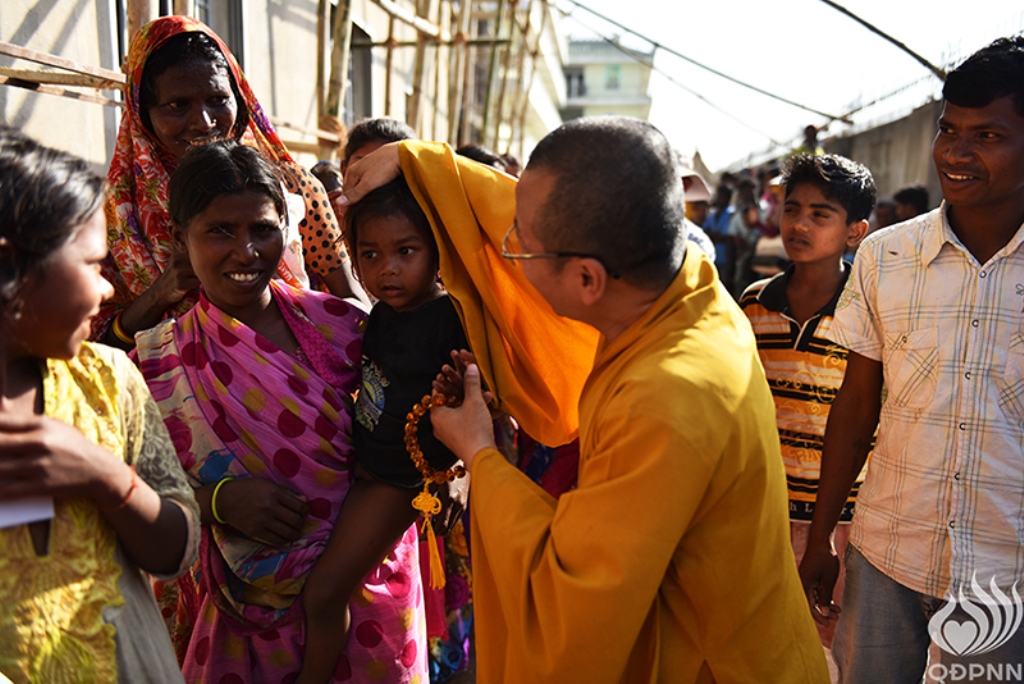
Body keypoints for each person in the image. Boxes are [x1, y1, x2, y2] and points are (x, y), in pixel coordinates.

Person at [342, 116, 829, 681]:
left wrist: (479, 452)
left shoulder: (667, 397)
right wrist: (420, 161)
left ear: (588, 280)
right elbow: (524, 204)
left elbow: (568, 600)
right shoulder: (684, 283)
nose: (507, 257)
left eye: (519, 251)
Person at [134, 140, 426, 683]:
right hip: (240, 616)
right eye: (220, 231)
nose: (245, 252)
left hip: (369, 593)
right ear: (180, 238)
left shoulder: (344, 328)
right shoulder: (155, 365)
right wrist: (217, 500)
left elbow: (406, 432)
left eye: (262, 229)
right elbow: (124, 494)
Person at [799, 37, 1024, 682]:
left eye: (988, 135)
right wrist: (822, 538)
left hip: (1004, 575)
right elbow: (856, 402)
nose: (956, 152)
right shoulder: (885, 256)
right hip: (886, 552)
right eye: (948, 129)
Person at [0, 126, 199, 682]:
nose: (109, 288)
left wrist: (104, 477)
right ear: (9, 267)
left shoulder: (108, 381)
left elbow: (179, 549)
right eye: (92, 266)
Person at [297, 175, 470, 683]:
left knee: (324, 593)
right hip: (366, 467)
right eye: (368, 255)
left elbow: (476, 399)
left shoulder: (451, 319)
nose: (386, 268)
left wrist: (463, 391)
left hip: (398, 482)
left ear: (437, 251)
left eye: (405, 251)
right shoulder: (386, 311)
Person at [97, 15, 358, 349]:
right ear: (143, 113)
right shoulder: (117, 216)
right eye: (178, 105)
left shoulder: (294, 190)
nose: (203, 122)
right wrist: (161, 293)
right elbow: (93, 345)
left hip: (304, 388)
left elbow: (354, 304)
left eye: (218, 99)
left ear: (240, 98)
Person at [739, 154, 875, 654]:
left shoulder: (869, 312)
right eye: (791, 208)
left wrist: (828, 531)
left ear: (855, 231)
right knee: (763, 640)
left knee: (830, 642)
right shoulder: (753, 304)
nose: (798, 223)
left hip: (843, 519)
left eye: (821, 215)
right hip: (765, 510)